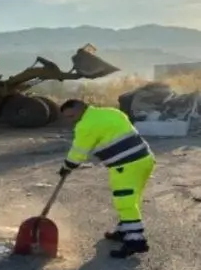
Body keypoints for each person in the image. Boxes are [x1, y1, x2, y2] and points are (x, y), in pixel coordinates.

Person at [58, 99, 155, 258]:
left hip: (126, 166)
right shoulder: (111, 112)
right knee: (133, 198)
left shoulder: (86, 125)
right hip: (145, 160)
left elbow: (79, 152)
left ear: (81, 108)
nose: (72, 120)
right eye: (68, 117)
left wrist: (67, 167)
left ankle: (135, 240)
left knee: (125, 202)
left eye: (72, 115)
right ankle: (124, 230)